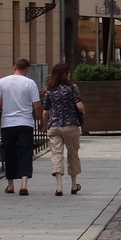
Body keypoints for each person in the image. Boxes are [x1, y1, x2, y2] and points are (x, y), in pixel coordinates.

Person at [0, 58, 43, 196]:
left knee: (9, 153)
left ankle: (10, 184)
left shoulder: (2, 82)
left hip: (8, 123)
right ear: (26, 69)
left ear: (14, 67)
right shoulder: (30, 83)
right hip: (25, 123)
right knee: (25, 152)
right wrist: (41, 120)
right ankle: (24, 184)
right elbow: (37, 105)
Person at [41, 63, 85, 195]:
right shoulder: (72, 88)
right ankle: (73, 184)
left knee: (56, 154)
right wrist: (83, 113)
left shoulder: (50, 89)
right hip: (70, 125)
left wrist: (45, 125)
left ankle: (59, 186)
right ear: (65, 74)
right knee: (73, 153)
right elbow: (79, 106)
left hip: (54, 126)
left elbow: (45, 111)